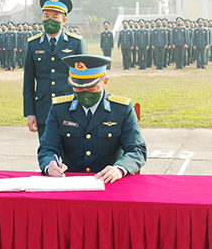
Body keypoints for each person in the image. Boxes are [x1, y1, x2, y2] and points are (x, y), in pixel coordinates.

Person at [38, 55, 146, 183]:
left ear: (105, 82)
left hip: (109, 182)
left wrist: (119, 169)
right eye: (78, 87)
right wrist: (50, 164)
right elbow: (48, 147)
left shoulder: (122, 109)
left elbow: (136, 149)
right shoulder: (59, 109)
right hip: (71, 182)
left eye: (91, 88)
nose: (85, 93)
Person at [23, 0, 88, 141]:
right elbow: (28, 82)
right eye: (46, 16)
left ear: (64, 20)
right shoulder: (33, 44)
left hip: (70, 108)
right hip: (43, 109)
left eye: (55, 16)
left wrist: (84, 109)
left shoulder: (76, 43)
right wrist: (30, 113)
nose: (50, 20)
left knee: (71, 154)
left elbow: (84, 80)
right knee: (47, 152)